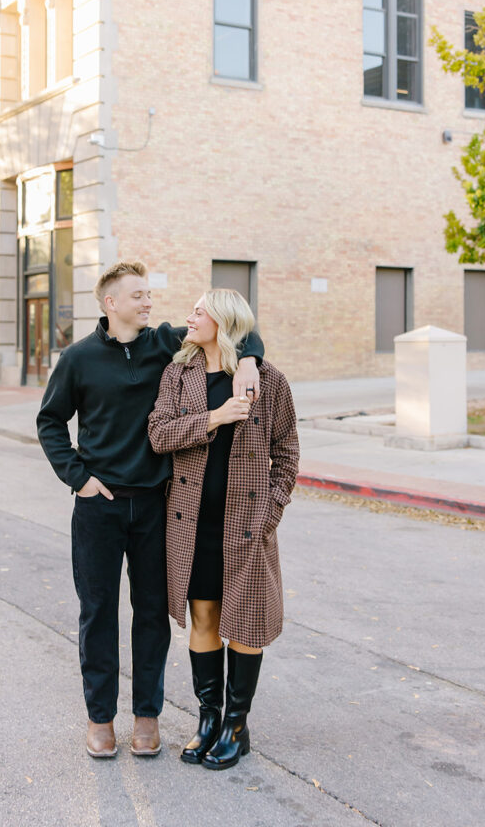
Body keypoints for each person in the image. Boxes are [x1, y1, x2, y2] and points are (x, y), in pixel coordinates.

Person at [36, 262, 264, 760]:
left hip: (157, 505)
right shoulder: (78, 358)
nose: (148, 302)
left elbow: (237, 326)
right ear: (110, 303)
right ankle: (100, 719)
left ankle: (146, 716)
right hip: (98, 506)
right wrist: (79, 479)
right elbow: (50, 421)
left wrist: (248, 360)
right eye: (138, 295)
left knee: (152, 615)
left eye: (148, 294)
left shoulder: (165, 344)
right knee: (98, 613)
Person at [148, 288, 299, 770]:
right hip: (191, 525)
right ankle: (208, 719)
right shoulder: (178, 373)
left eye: (200, 311)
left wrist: (269, 514)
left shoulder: (267, 380)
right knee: (204, 618)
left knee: (247, 622)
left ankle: (236, 726)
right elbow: (158, 434)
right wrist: (215, 417)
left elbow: (288, 454)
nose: (189, 317)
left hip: (247, 527)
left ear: (223, 321)